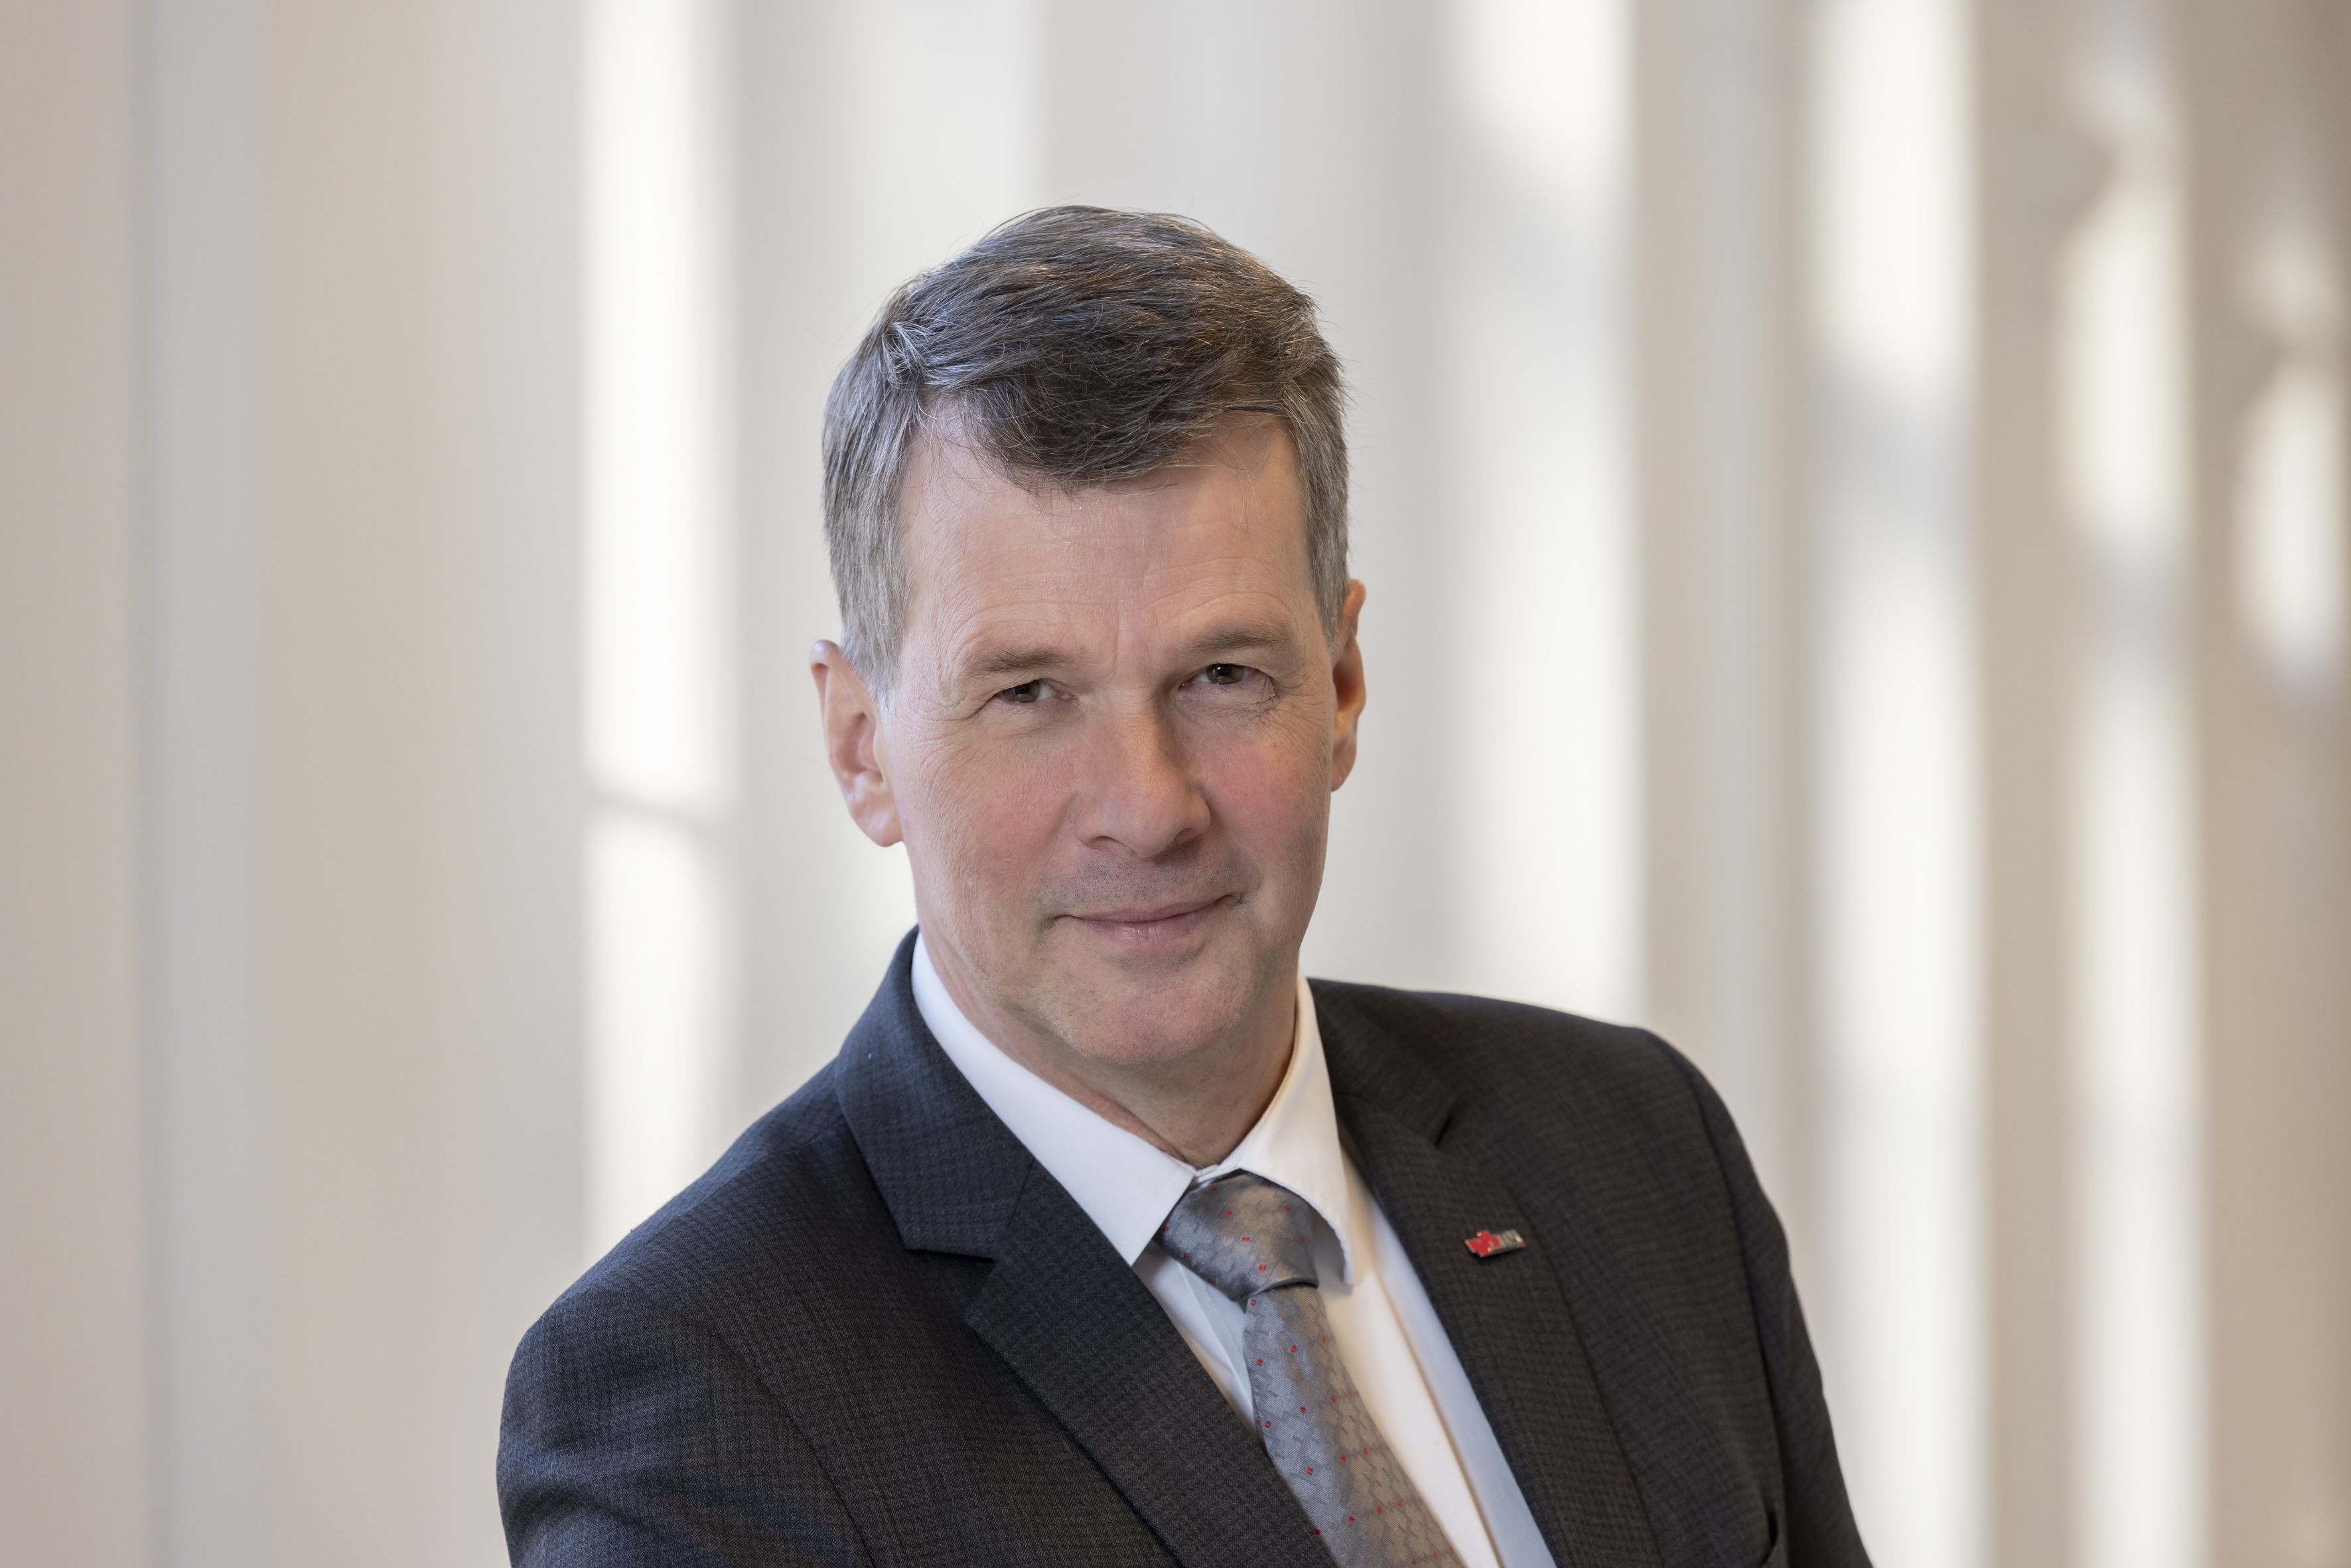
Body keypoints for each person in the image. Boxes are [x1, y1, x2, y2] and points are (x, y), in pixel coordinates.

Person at [498, 207, 1869, 1568]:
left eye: (1220, 676)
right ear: (860, 745)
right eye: (1030, 694)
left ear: (1338, 684)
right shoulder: (695, 1396)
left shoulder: (1632, 1151)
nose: (1147, 808)